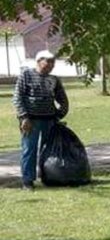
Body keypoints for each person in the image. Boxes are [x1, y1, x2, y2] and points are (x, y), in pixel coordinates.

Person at [12, 50, 69, 190]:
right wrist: (24, 117)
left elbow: (63, 100)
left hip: (49, 121)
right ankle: (27, 181)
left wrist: (59, 115)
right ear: (38, 61)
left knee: (49, 151)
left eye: (53, 62)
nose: (51, 65)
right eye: (48, 61)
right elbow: (17, 98)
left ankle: (48, 177)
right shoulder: (26, 75)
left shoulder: (54, 80)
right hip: (30, 121)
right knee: (29, 150)